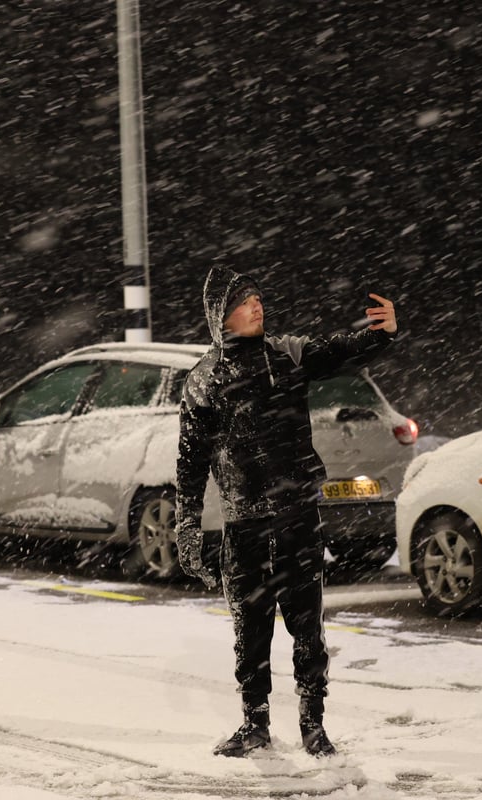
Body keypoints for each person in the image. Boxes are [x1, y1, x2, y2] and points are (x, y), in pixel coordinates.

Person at [175, 265, 398, 758]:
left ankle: (312, 724)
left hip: (297, 515)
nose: (257, 306)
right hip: (243, 521)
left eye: (258, 297)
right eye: (243, 301)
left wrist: (383, 334)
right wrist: (187, 524)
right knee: (249, 628)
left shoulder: (286, 355)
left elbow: (340, 350)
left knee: (307, 624)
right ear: (220, 315)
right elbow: (190, 464)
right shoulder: (202, 382)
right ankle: (254, 723)